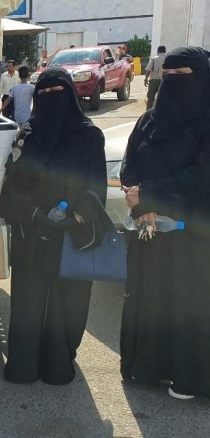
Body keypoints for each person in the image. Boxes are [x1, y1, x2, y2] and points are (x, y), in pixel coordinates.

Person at [0, 67, 107, 385]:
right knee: (28, 302)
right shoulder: (27, 135)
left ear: (70, 95)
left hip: (71, 235)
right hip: (31, 231)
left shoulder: (89, 136)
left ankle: (58, 363)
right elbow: (11, 185)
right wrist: (34, 214)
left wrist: (75, 216)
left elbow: (95, 186)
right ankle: (23, 365)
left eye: (56, 93)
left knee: (66, 303)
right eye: (43, 94)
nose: (50, 100)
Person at [119, 46, 210, 400]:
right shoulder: (149, 119)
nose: (171, 82)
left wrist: (151, 195)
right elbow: (130, 164)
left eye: (181, 75)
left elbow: (202, 176)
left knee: (187, 300)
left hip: (192, 234)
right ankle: (147, 368)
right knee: (149, 296)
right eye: (167, 75)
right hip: (149, 229)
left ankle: (189, 378)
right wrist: (139, 201)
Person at [144, 45, 166, 110]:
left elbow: (148, 70)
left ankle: (148, 112)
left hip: (154, 81)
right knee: (163, 97)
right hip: (164, 80)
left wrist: (146, 79)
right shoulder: (168, 58)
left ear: (158, 51)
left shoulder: (154, 58)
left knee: (150, 98)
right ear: (165, 51)